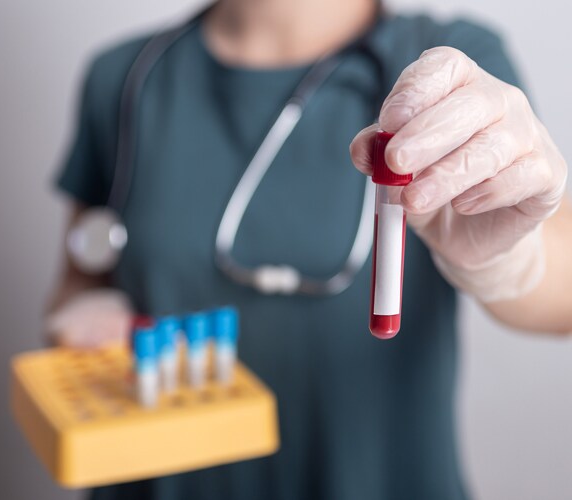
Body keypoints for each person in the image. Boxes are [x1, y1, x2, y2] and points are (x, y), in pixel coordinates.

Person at [47, 0, 572, 498]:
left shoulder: (451, 68)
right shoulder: (127, 77)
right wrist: (83, 316)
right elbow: (83, 273)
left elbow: (564, 294)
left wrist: (510, 262)